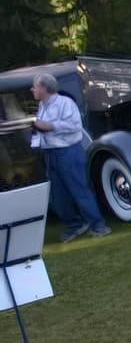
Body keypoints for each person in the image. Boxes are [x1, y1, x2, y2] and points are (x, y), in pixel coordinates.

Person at [27, 72, 109, 240]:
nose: (32, 89)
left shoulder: (65, 103)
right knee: (58, 196)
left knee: (80, 190)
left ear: (44, 88)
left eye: (35, 86)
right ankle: (76, 224)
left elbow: (74, 126)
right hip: (51, 154)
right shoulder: (43, 106)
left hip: (69, 152)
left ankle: (98, 225)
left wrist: (48, 126)